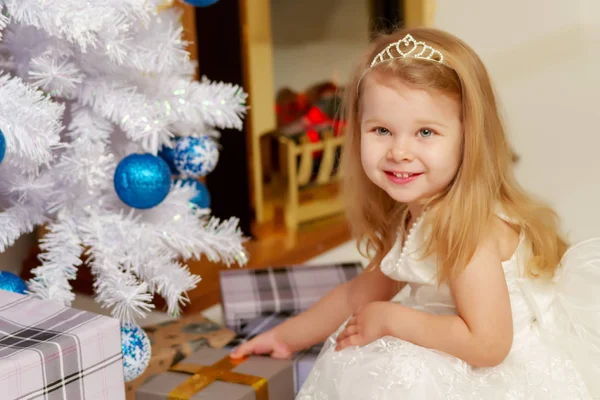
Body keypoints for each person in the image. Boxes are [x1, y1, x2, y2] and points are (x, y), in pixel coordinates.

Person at [230, 27, 600, 399]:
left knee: (391, 365)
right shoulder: (415, 211)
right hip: (461, 340)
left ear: (468, 138)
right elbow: (359, 294)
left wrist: (392, 319)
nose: (399, 151)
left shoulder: (465, 229)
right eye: (382, 130)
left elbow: (490, 345)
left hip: (496, 368)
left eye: (425, 132)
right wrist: (285, 337)